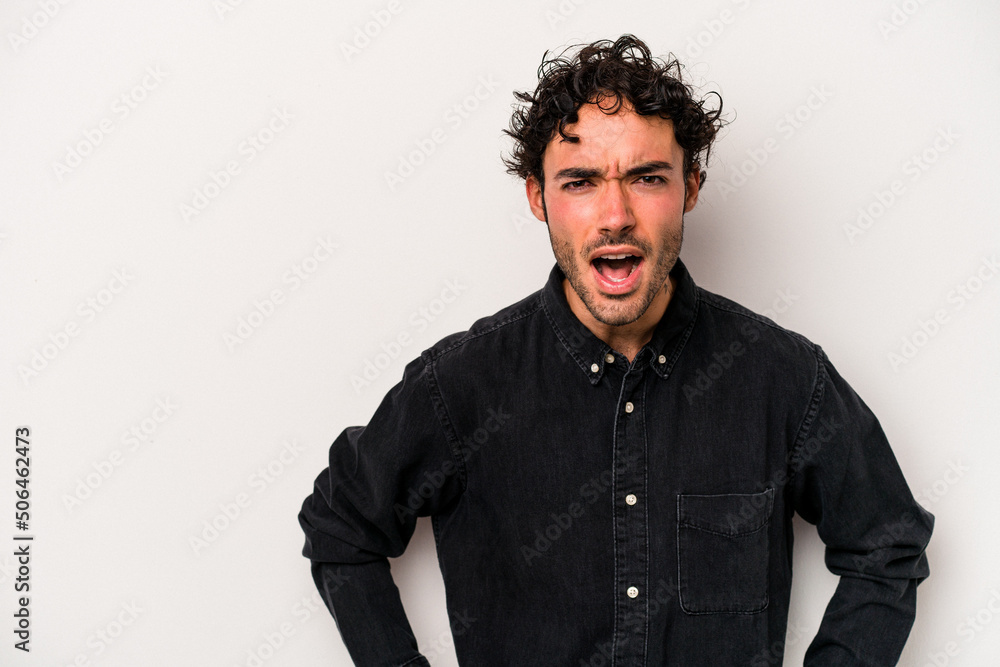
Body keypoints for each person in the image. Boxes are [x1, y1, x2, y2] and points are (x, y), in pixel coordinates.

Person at [298, 34, 933, 666]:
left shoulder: (782, 379)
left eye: (647, 178)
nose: (615, 215)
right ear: (537, 197)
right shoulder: (462, 386)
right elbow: (340, 528)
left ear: (689, 188)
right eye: (579, 181)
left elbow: (888, 546)